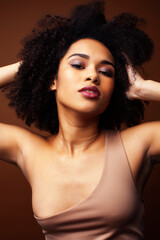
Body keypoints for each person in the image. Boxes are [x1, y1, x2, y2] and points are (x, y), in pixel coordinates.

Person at [0, 1, 160, 239]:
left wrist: (144, 88)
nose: (92, 75)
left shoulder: (139, 144)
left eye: (106, 72)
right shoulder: (28, 150)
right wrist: (31, 66)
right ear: (52, 80)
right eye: (77, 65)